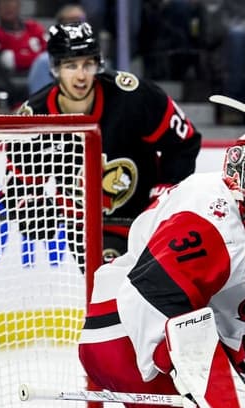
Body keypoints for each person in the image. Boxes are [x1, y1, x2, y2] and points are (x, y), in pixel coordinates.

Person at [77, 126, 245, 408]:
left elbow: (237, 320)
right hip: (124, 331)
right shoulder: (207, 210)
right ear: (238, 170)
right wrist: (199, 386)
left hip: (172, 334)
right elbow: (150, 296)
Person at [18, 22, 201, 262]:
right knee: (109, 287)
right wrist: (34, 210)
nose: (81, 75)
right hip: (84, 232)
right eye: (71, 66)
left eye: (88, 64)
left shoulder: (133, 97)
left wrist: (166, 191)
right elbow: (19, 185)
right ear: (55, 68)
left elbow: (184, 141)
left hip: (146, 224)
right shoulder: (35, 116)